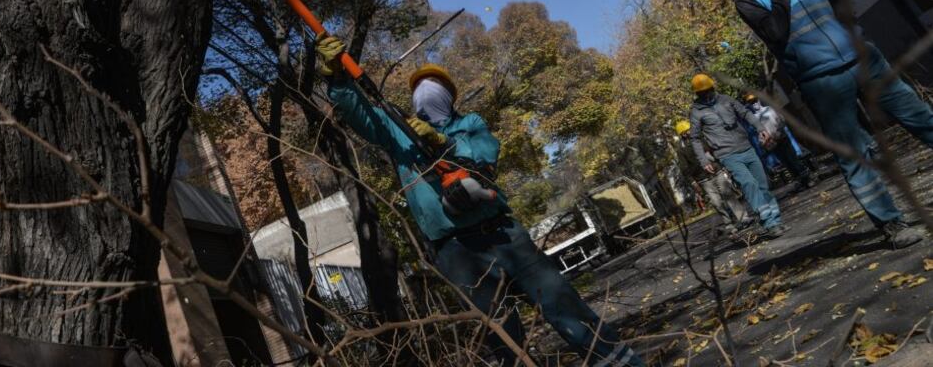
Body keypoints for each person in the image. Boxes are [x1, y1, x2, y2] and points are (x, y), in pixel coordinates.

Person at [315, 34, 643, 367]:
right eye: (420, 88)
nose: (427, 91)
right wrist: (336, 77)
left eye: (435, 85)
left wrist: (442, 142)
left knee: (566, 307)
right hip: (456, 249)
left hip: (505, 235)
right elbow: (360, 114)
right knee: (502, 339)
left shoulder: (470, 124)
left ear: (449, 96)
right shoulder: (396, 131)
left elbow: (484, 160)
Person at [728, 0, 928, 249]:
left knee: (920, 118)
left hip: (865, 62)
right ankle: (892, 225)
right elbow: (775, 32)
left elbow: (841, 6)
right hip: (822, 83)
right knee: (854, 155)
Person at [687, 74, 787, 238]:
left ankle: (776, 221)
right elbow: (695, 138)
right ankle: (768, 222)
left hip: (746, 148)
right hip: (727, 154)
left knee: (763, 185)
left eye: (708, 90)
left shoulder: (725, 100)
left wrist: (760, 128)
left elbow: (745, 113)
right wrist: (703, 160)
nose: (706, 94)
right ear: (698, 94)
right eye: (702, 92)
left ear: (712, 88)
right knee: (749, 184)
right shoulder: (696, 112)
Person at [673, 120, 753, 234]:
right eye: (687, 131)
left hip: (717, 172)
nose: (690, 131)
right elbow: (684, 169)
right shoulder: (682, 150)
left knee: (729, 195)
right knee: (717, 203)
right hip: (703, 179)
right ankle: (729, 224)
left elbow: (714, 152)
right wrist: (693, 182)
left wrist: (723, 166)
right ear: (683, 134)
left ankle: (743, 218)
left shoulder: (701, 139)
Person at [741, 93, 819, 190]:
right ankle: (800, 181)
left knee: (793, 159)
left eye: (755, 101)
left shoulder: (769, 109)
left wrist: (779, 132)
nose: (754, 104)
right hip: (771, 144)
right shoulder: (753, 119)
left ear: (758, 100)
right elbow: (757, 135)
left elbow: (781, 121)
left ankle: (808, 178)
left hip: (782, 139)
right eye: (751, 103)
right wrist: (764, 143)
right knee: (786, 163)